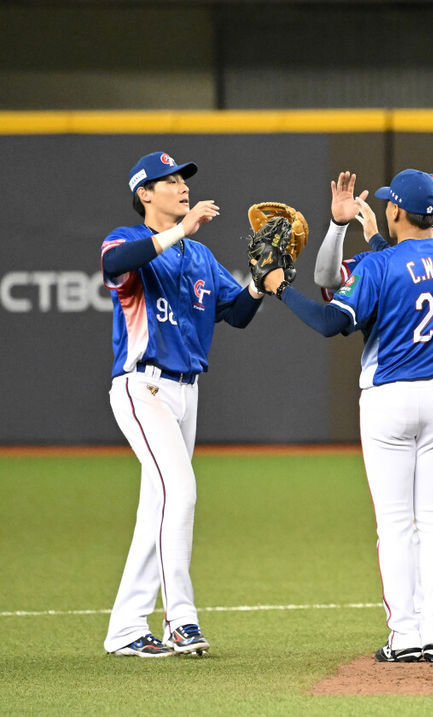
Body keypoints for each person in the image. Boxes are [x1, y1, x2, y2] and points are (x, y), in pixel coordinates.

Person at [268, 169, 433, 663]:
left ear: (397, 211)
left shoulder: (380, 266)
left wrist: (279, 288)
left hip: (391, 400)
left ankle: (404, 636)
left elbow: (328, 321)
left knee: (396, 524)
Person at [101, 151, 265, 657]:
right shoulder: (127, 240)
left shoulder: (199, 257)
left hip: (186, 392)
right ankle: (181, 620)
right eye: (168, 181)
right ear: (144, 194)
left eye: (183, 180)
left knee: (160, 505)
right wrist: (180, 230)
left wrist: (261, 281)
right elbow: (114, 265)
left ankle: (126, 629)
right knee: (182, 492)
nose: (181, 186)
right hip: (141, 387)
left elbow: (234, 315)